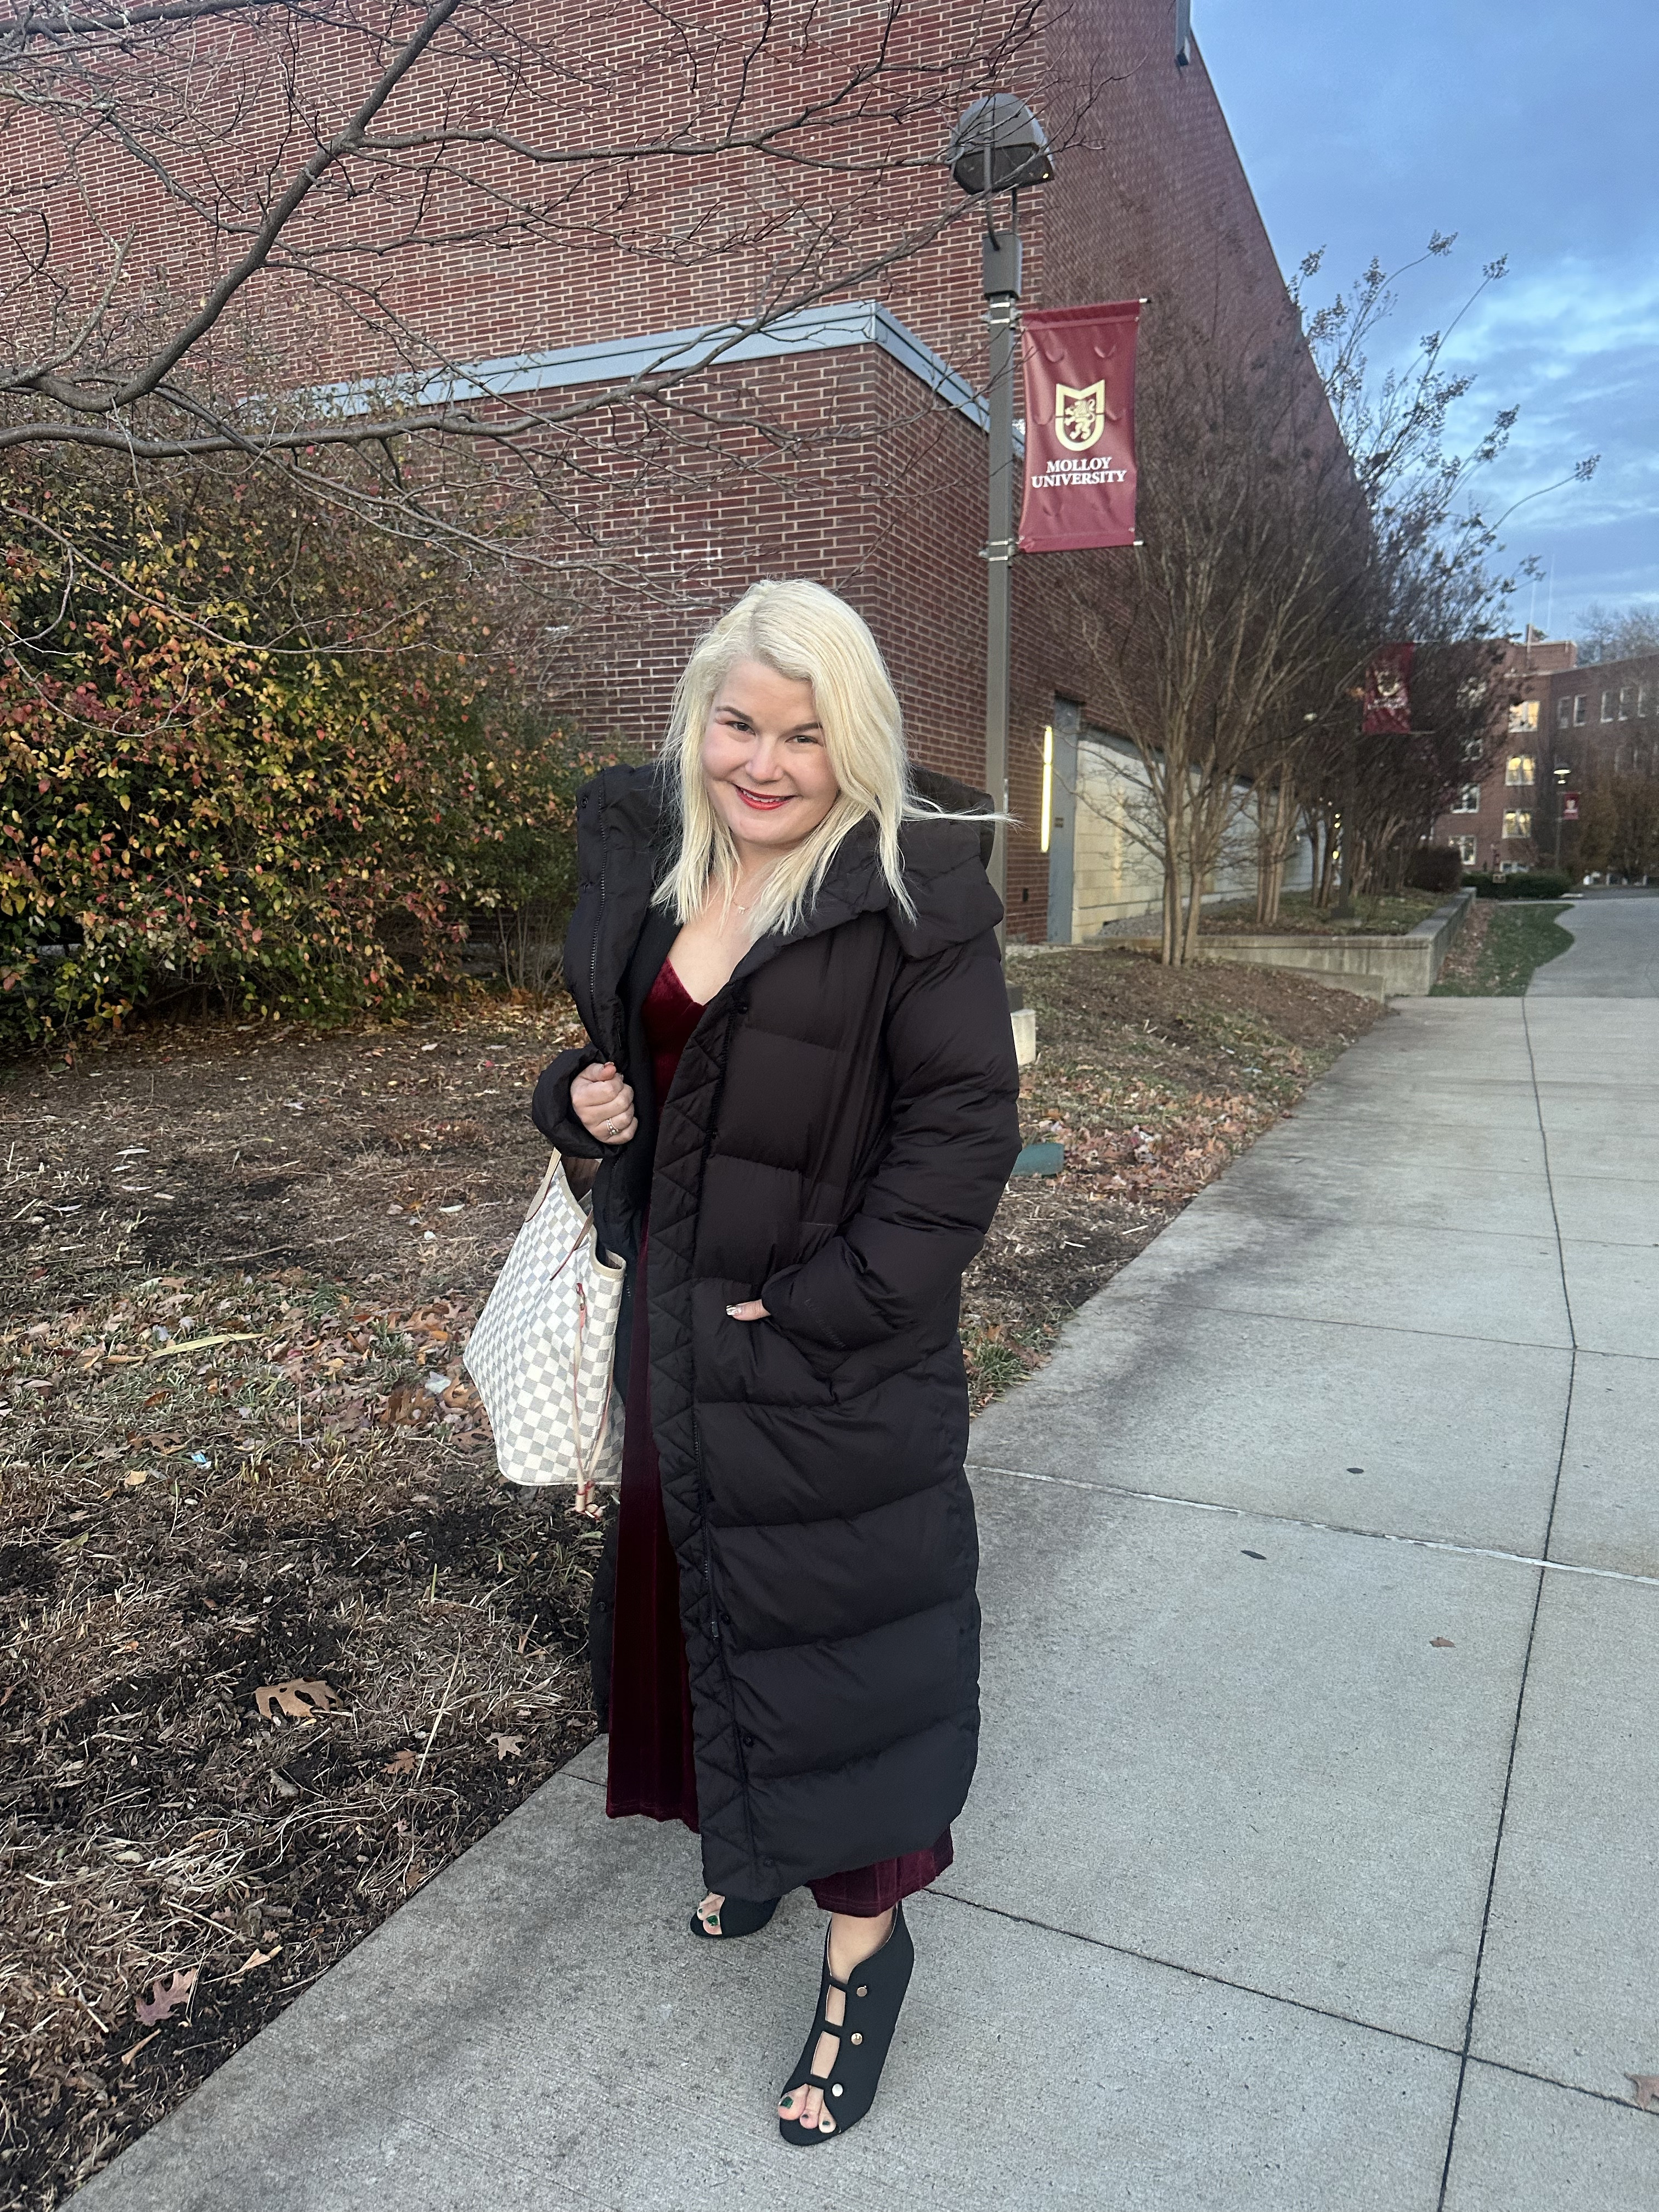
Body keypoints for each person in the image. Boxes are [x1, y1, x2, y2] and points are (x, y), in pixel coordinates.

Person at [532, 578, 1022, 2143]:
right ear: (699, 719)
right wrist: (577, 1101)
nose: (766, 760)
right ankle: (745, 1848)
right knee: (705, 1615)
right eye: (741, 722)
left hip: (824, 1358)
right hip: (675, 1339)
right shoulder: (665, 871)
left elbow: (960, 1141)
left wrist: (825, 1306)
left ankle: (866, 1959)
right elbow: (630, 1068)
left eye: (806, 732)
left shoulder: (911, 899)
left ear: (855, 741)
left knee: (842, 1649)